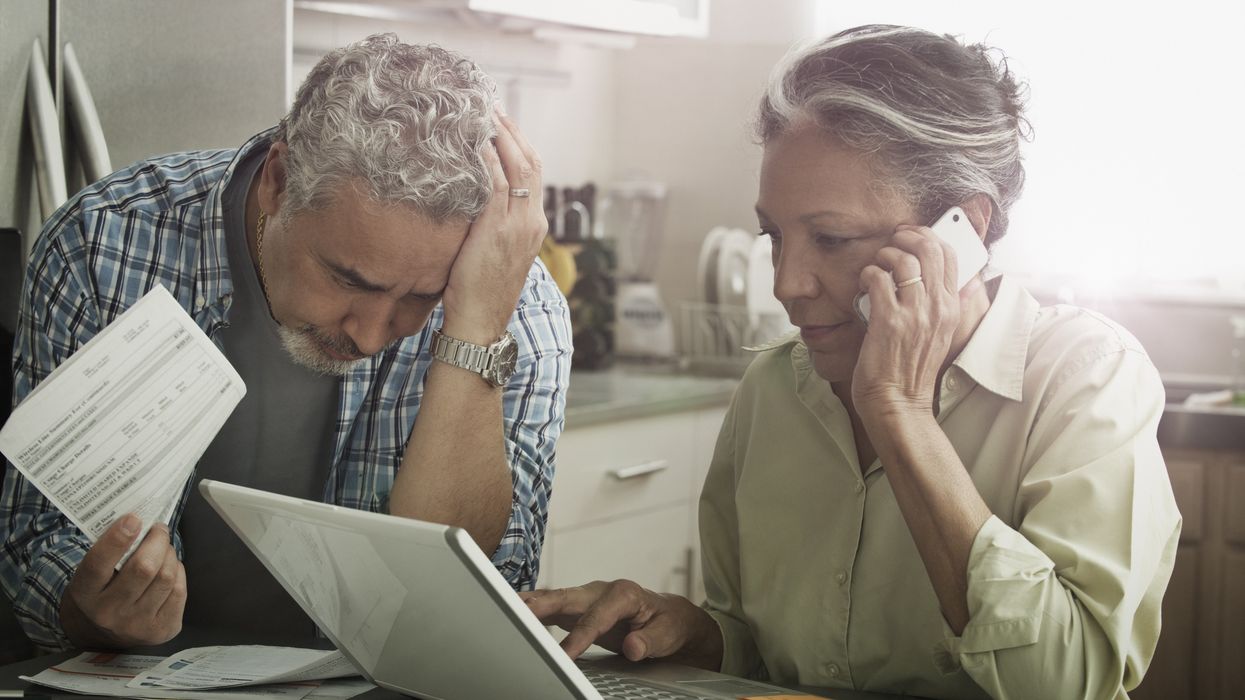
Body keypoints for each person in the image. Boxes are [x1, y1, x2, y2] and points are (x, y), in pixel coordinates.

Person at [523, 24, 1180, 700]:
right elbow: (772, 659)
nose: (785, 283)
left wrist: (899, 415)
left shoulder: (1085, 379)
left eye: (831, 238)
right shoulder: (774, 387)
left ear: (964, 231)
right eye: (773, 237)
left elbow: (1067, 685)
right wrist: (692, 635)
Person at [1, 34, 572, 651]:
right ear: (277, 180)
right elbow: (36, 541)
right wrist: (90, 612)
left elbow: (473, 597)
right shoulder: (103, 240)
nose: (370, 334)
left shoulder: (519, 305)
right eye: (348, 279)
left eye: (419, 298)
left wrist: (476, 332)